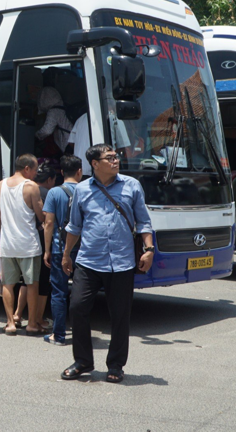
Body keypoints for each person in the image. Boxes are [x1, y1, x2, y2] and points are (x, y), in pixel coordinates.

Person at [60, 144, 154, 383]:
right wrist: (66, 254)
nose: (116, 161)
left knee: (120, 315)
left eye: (116, 157)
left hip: (121, 262)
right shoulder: (81, 190)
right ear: (94, 164)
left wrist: (149, 249)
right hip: (89, 261)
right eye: (109, 158)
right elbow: (74, 226)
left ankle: (116, 365)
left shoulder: (131, 185)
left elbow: (143, 222)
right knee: (77, 307)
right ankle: (83, 361)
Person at [0, 153, 46, 336]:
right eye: (36, 169)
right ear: (27, 169)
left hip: (8, 244)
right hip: (28, 244)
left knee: (8, 284)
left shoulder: (1, 185)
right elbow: (41, 215)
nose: (36, 173)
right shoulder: (31, 187)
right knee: (32, 284)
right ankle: (31, 324)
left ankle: (10, 324)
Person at [42, 154, 83, 346]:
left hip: (60, 248)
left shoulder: (54, 193)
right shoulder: (87, 191)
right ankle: (82, 334)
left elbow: (49, 223)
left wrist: (47, 249)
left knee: (58, 292)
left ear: (61, 172)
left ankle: (58, 335)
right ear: (80, 171)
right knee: (81, 292)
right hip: (84, 250)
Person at [13, 163, 56, 331]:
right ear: (50, 179)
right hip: (41, 242)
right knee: (42, 282)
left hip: (25, 241)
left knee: (26, 280)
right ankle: (39, 319)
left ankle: (17, 315)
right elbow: (48, 221)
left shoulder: (25, 190)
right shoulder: (48, 193)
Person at [34, 87, 73, 153]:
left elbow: (47, 131)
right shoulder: (63, 107)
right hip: (72, 141)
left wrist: (36, 135)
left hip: (68, 144)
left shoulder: (54, 111)